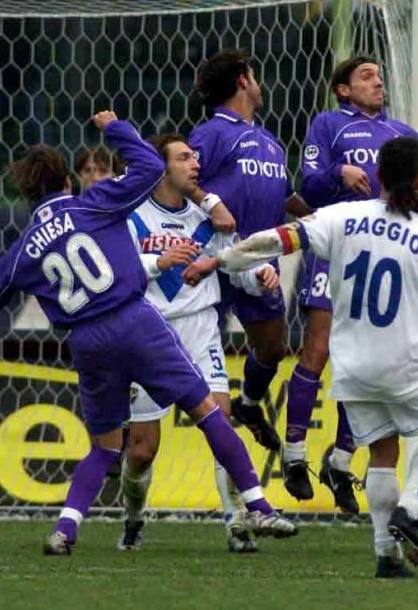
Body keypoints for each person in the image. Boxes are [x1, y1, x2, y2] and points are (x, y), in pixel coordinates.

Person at [0, 112, 296, 555]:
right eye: (183, 157)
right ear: (68, 180)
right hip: (137, 320)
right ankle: (252, 504)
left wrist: (37, 280)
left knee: (105, 448)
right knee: (194, 422)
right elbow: (144, 165)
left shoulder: (26, 245)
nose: (193, 164)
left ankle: (66, 530)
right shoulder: (99, 203)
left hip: (89, 339)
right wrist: (116, 128)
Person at [212, 136, 418, 578]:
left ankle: (386, 556)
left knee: (381, 450)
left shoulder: (341, 216)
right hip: (407, 359)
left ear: (377, 174)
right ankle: (411, 510)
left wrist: (222, 258)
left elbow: (282, 238)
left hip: (354, 362)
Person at [289, 55, 418, 512]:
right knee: (320, 346)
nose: (377, 81)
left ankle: (341, 457)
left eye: (379, 76)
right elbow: (309, 188)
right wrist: (336, 173)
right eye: (366, 76)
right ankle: (293, 452)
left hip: (389, 253)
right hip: (338, 247)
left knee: (362, 354)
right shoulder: (329, 125)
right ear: (343, 89)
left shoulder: (402, 135)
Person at [119, 133, 280, 554]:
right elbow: (118, 271)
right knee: (142, 451)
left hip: (200, 329)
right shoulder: (132, 216)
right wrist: (159, 263)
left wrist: (259, 278)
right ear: (161, 168)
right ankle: (133, 519)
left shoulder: (208, 220)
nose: (195, 164)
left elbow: (236, 266)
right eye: (184, 157)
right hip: (149, 333)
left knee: (220, 423)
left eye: (194, 157)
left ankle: (237, 523)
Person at [187, 51, 307, 458]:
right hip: (213, 260)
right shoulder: (213, 133)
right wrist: (210, 203)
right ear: (242, 81)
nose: (259, 83)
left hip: (259, 264)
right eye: (254, 76)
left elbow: (287, 196)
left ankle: (251, 405)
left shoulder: (270, 142)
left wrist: (325, 217)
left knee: (273, 347)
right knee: (187, 351)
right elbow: (182, 180)